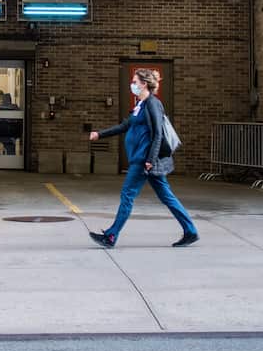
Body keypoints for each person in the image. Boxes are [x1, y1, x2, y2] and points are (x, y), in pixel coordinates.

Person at [85, 68, 198, 248]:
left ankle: (111, 236)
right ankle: (191, 231)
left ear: (144, 84)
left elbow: (158, 134)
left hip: (143, 159)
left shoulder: (153, 104)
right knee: (167, 196)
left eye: (135, 82)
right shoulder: (140, 105)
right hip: (143, 158)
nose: (133, 85)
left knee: (127, 194)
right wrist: (100, 134)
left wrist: (150, 160)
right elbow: (124, 126)